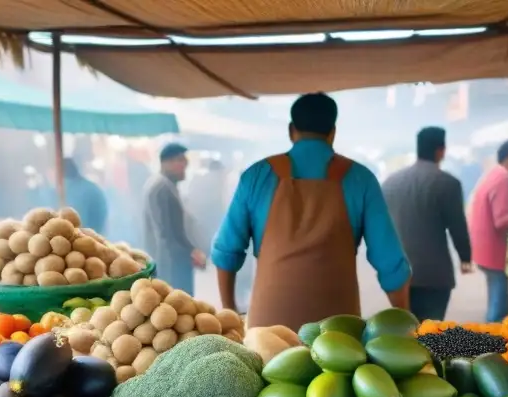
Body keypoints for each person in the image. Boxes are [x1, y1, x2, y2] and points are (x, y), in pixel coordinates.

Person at [211, 92, 411, 329]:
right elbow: (390, 263)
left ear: (291, 130)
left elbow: (226, 252)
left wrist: (230, 311)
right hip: (338, 335)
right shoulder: (360, 179)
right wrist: (406, 322)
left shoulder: (257, 176)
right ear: (332, 132)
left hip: (268, 329)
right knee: (338, 365)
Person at [382, 126, 472, 321]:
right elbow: (457, 224)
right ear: (441, 150)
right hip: (434, 275)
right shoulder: (448, 183)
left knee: (404, 330)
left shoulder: (390, 182)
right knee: (429, 333)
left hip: (398, 273)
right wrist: (465, 256)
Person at [470, 139, 508, 323]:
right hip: (495, 250)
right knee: (499, 310)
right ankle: (493, 346)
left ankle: (489, 342)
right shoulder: (503, 177)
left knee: (495, 299)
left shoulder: (493, 173)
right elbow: (502, 220)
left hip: (484, 249)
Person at [143, 143, 205, 295]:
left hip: (173, 260)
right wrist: (191, 251)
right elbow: (168, 232)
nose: (184, 167)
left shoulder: (165, 185)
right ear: (167, 163)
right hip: (170, 263)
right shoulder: (161, 187)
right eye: (180, 162)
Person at [62, 157, 108, 233]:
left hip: (89, 239)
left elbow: (77, 224)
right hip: (97, 237)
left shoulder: (77, 191)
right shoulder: (88, 186)